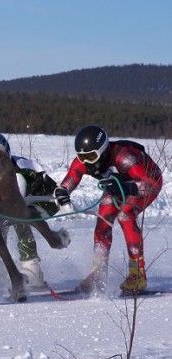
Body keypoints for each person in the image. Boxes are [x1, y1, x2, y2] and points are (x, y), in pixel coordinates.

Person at [54, 125, 162, 294]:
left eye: (90, 157)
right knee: (104, 218)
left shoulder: (126, 158)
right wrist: (63, 190)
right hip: (118, 185)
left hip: (145, 183)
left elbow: (150, 185)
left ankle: (137, 273)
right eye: (82, 157)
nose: (86, 162)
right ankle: (99, 272)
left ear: (103, 151)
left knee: (125, 215)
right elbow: (73, 175)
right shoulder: (85, 161)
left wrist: (127, 188)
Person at [0, 133, 60, 288]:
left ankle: (31, 267)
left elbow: (18, 202)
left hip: (44, 201)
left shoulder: (20, 170)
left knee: (19, 218)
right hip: (18, 201)